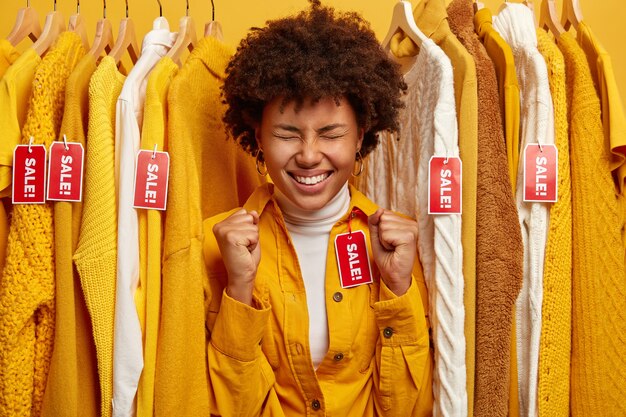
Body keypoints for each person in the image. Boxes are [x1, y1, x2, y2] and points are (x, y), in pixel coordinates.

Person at [202, 1, 433, 415]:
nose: (309, 156)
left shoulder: (396, 247)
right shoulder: (212, 246)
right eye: (287, 134)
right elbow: (228, 408)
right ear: (257, 136)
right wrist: (238, 290)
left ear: (361, 136)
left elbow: (409, 409)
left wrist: (398, 289)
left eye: (330, 134)